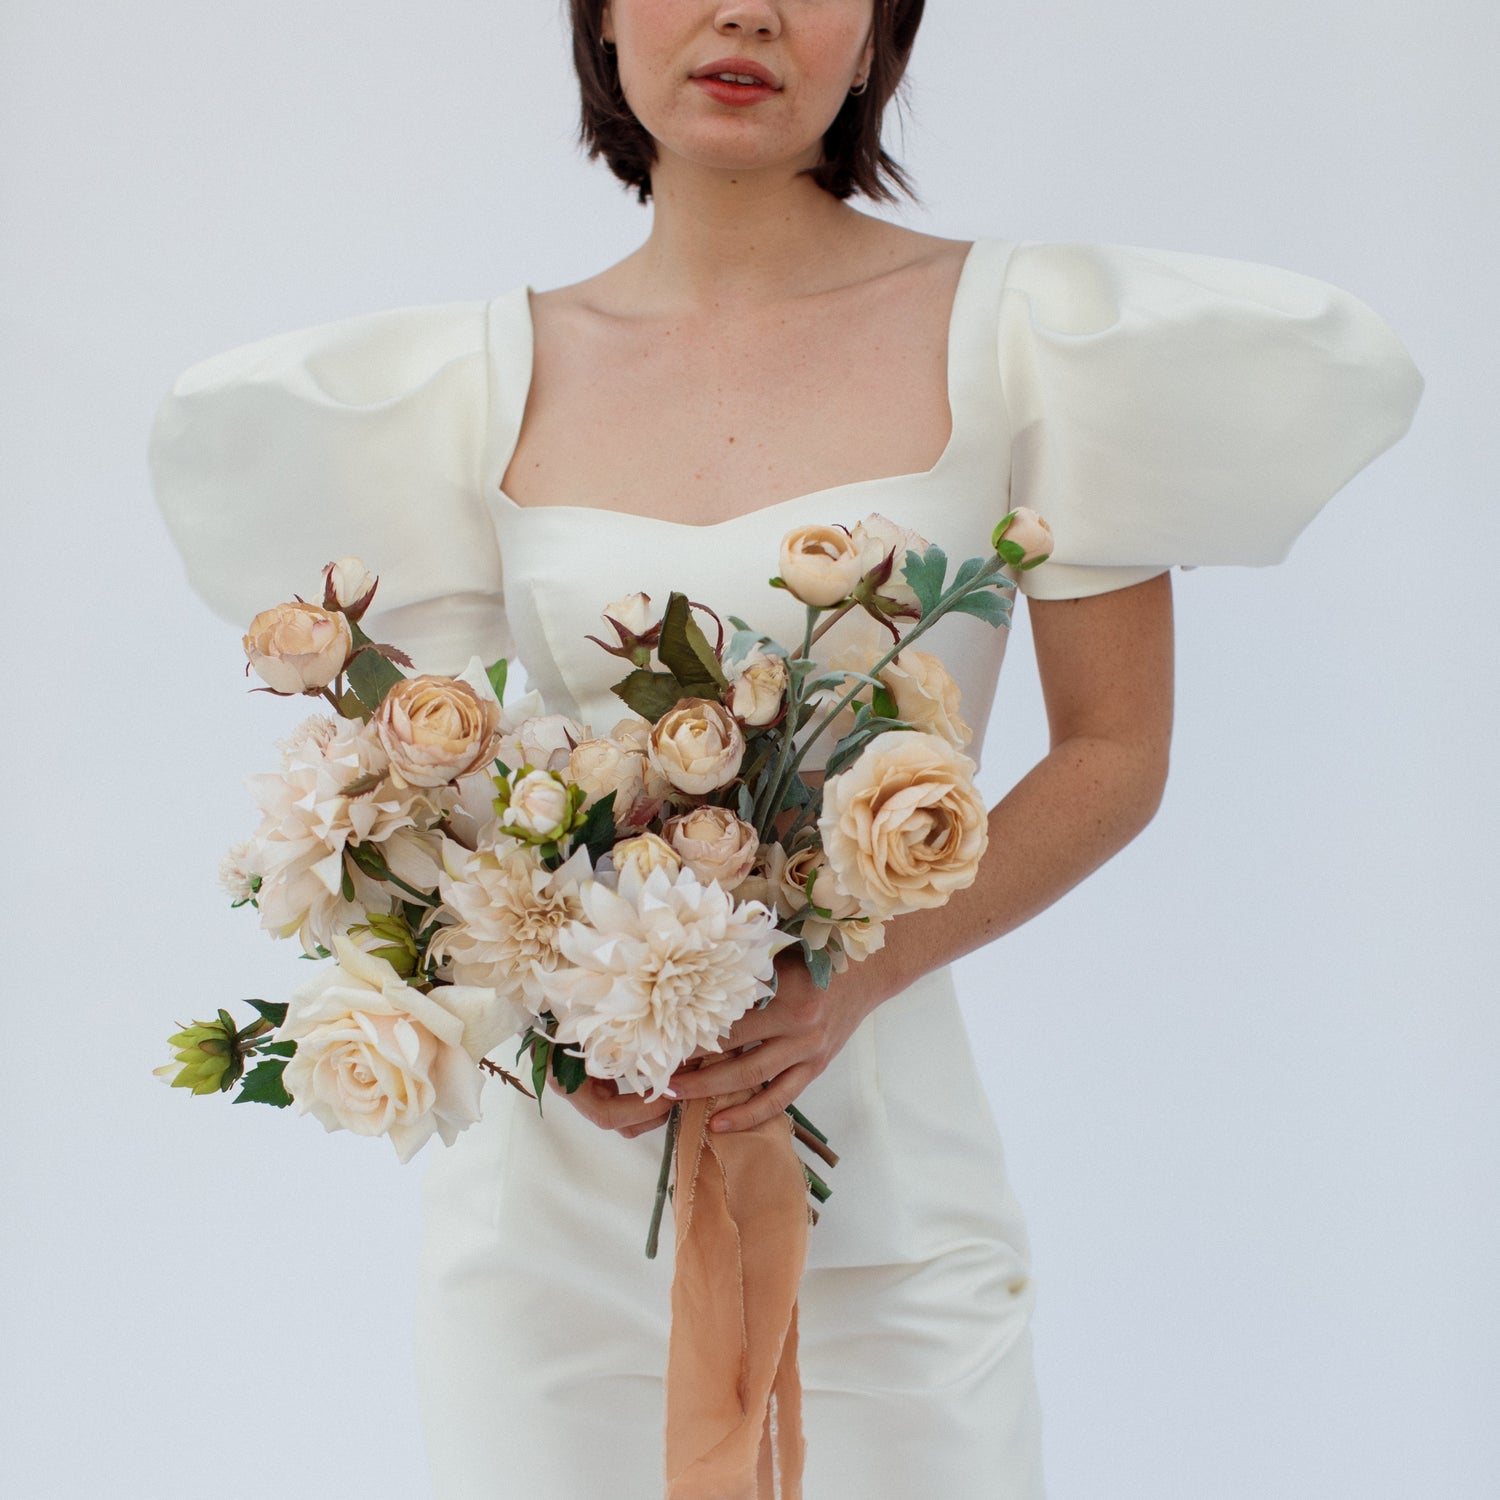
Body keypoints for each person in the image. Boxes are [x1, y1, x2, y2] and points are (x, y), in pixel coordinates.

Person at [147, 1, 1423, 1495]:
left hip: (889, 1193)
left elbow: (1116, 750)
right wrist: (566, 1016)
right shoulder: (468, 380)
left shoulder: (1034, 335)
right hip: (558, 1219)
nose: (746, 11)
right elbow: (443, 802)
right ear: (604, 21)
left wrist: (848, 977)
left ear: (881, 34)